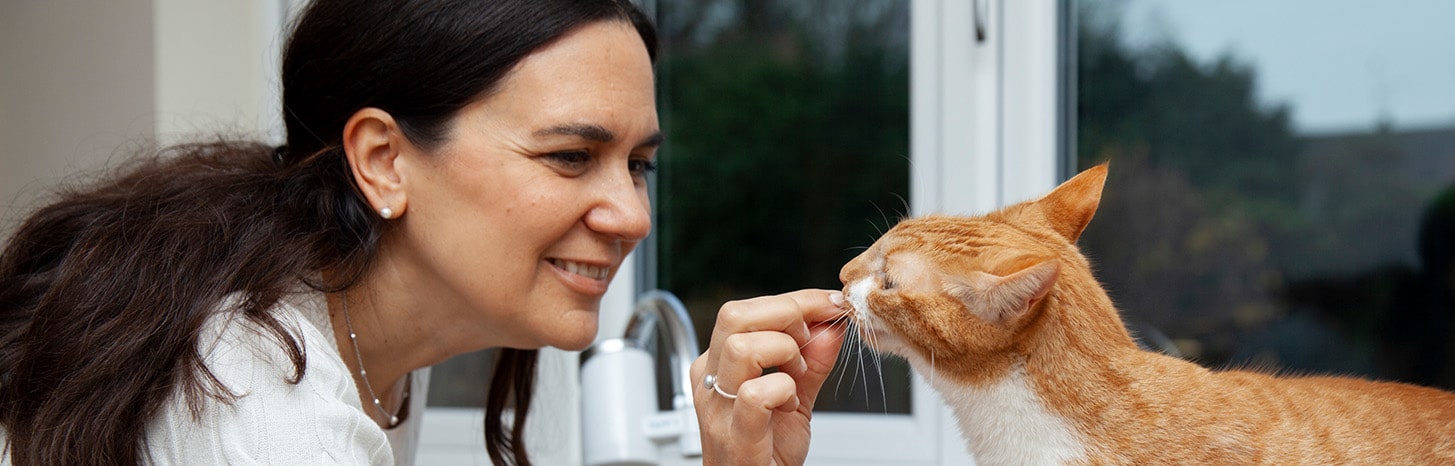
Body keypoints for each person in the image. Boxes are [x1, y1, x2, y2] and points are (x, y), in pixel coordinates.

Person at [0, 0, 847, 464]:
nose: (631, 215)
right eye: (568, 156)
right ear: (382, 161)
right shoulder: (263, 412)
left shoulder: (379, 338)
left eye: (638, 164)